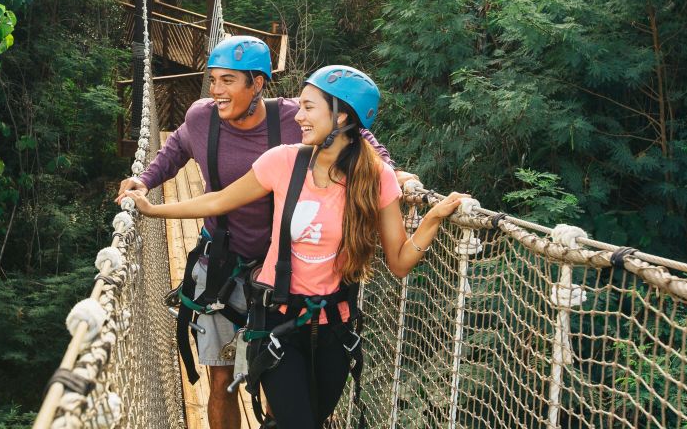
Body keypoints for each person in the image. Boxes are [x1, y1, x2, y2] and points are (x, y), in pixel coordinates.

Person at [124, 65, 468, 429]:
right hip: (277, 322)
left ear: (341, 116)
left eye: (308, 108)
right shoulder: (283, 160)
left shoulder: (376, 177)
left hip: (335, 325)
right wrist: (153, 208)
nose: (298, 116)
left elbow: (399, 262)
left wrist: (431, 220)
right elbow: (218, 201)